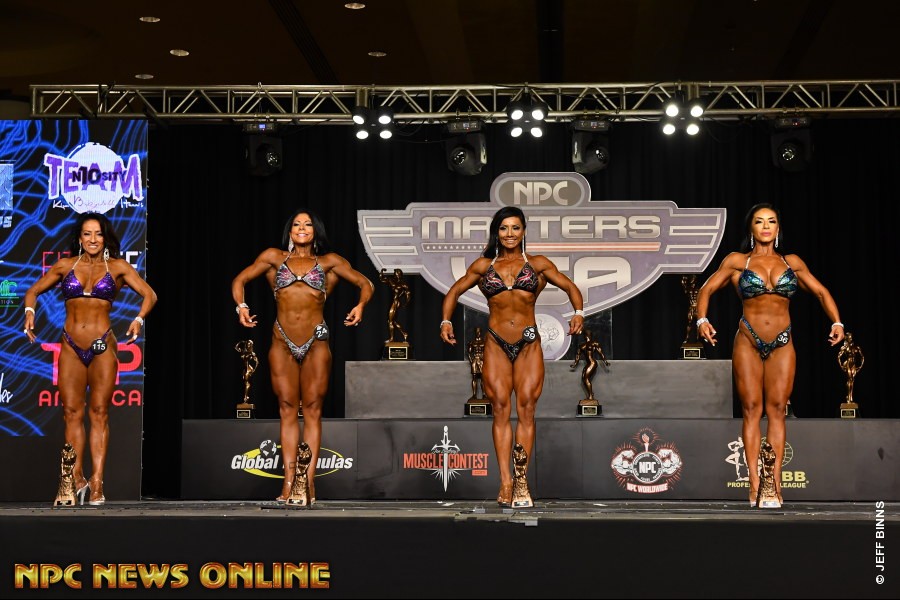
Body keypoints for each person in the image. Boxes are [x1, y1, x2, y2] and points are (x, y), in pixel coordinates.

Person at [695, 203, 843, 509]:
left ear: (778, 228)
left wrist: (837, 322)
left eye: (771, 221)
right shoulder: (738, 261)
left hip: (782, 341)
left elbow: (820, 292)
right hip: (748, 340)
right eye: (759, 221)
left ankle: (773, 484)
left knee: (777, 411)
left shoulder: (792, 262)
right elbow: (706, 290)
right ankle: (754, 484)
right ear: (751, 228)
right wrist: (702, 320)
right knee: (751, 409)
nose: (765, 226)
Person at [440, 206, 584, 508]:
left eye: (515, 228)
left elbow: (570, 286)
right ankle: (505, 481)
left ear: (523, 231)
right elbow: (453, 292)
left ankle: (521, 479)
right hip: (496, 343)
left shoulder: (538, 264)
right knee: (500, 409)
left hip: (528, 343)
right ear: (497, 232)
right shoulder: (483, 266)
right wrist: (445, 321)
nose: (509, 234)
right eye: (504, 228)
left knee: (527, 409)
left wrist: (578, 313)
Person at [232, 207, 373, 506]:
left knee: (312, 409)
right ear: (290, 231)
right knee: (286, 408)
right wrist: (241, 307)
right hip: (281, 340)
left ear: (315, 231)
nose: (302, 228)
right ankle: (288, 481)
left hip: (316, 341)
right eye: (296, 224)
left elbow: (366, 284)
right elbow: (239, 280)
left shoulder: (329, 262)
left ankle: (306, 482)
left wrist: (360, 306)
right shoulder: (274, 258)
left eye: (308, 224)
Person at [23, 211, 158, 506]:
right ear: (80, 238)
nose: (93, 239)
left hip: (102, 345)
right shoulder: (65, 265)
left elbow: (150, 295)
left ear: (105, 237)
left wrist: (138, 319)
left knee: (99, 413)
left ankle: (97, 482)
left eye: (98, 233)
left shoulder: (118, 267)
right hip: (70, 345)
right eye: (87, 234)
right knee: (72, 413)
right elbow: (33, 291)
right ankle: (76, 479)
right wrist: (30, 312)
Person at [569, 329, 609, 401]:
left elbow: (600, 353)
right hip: (588, 363)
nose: (588, 335)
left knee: (585, 378)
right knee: (584, 379)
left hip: (593, 363)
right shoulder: (582, 345)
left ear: (590, 335)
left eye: (589, 333)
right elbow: (577, 355)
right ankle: (590, 394)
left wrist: (605, 361)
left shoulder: (594, 343)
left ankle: (591, 396)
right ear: (585, 335)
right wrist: (575, 364)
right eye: (587, 333)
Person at [378, 268, 410, 343]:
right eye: (395, 273)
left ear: (400, 274)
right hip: (393, 301)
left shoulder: (403, 284)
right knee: (392, 320)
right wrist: (382, 271)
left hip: (396, 302)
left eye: (398, 273)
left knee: (390, 321)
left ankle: (392, 338)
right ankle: (404, 333)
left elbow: (408, 294)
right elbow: (382, 279)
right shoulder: (392, 281)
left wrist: (406, 303)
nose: (396, 274)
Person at [837, 332, 864, 405]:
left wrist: (860, 366)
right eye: (849, 337)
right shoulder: (844, 348)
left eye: (851, 337)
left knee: (852, 381)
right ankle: (849, 397)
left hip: (853, 365)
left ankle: (850, 397)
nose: (850, 338)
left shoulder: (856, 347)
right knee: (849, 380)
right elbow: (839, 357)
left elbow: (862, 357)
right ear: (847, 338)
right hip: (848, 364)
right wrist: (842, 366)